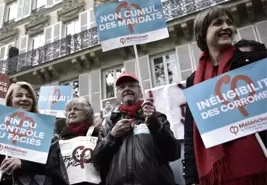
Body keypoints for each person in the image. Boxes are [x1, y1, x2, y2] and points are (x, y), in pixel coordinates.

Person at [183, 6, 267, 185]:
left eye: (229, 22)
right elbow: (191, 132)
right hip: (218, 175)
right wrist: (190, 178)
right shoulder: (193, 81)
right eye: (218, 23)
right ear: (203, 33)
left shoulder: (254, 60)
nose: (226, 27)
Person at [0, 81, 69, 185]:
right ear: (10, 100)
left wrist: (23, 162)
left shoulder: (45, 128)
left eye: (29, 96)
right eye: (19, 95)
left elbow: (53, 161)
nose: (24, 99)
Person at [93, 72, 181, 185]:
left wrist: (155, 125)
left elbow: (174, 153)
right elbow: (98, 162)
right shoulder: (110, 122)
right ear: (117, 94)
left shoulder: (157, 117)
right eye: (122, 87)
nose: (127, 89)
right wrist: (112, 136)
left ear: (140, 91)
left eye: (131, 85)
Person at [59, 97, 101, 185]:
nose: (71, 112)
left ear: (87, 114)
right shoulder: (59, 138)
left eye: (76, 109)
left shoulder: (97, 135)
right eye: (69, 110)